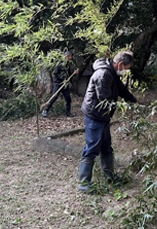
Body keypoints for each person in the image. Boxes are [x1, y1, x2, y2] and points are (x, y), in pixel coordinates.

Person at [78, 51, 137, 192]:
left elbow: (121, 89)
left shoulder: (112, 72)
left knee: (106, 146)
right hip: (95, 114)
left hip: (103, 115)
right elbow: (104, 98)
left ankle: (109, 177)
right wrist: (122, 107)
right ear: (121, 64)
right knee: (92, 147)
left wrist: (133, 101)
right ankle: (84, 183)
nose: (126, 71)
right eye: (127, 68)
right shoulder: (103, 74)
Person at [42, 51, 78, 118]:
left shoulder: (68, 65)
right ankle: (45, 110)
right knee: (54, 97)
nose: (71, 57)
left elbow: (69, 74)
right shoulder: (59, 64)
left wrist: (74, 73)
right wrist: (62, 79)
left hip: (65, 85)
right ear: (67, 56)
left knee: (68, 98)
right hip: (58, 84)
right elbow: (55, 74)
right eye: (70, 56)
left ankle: (68, 113)